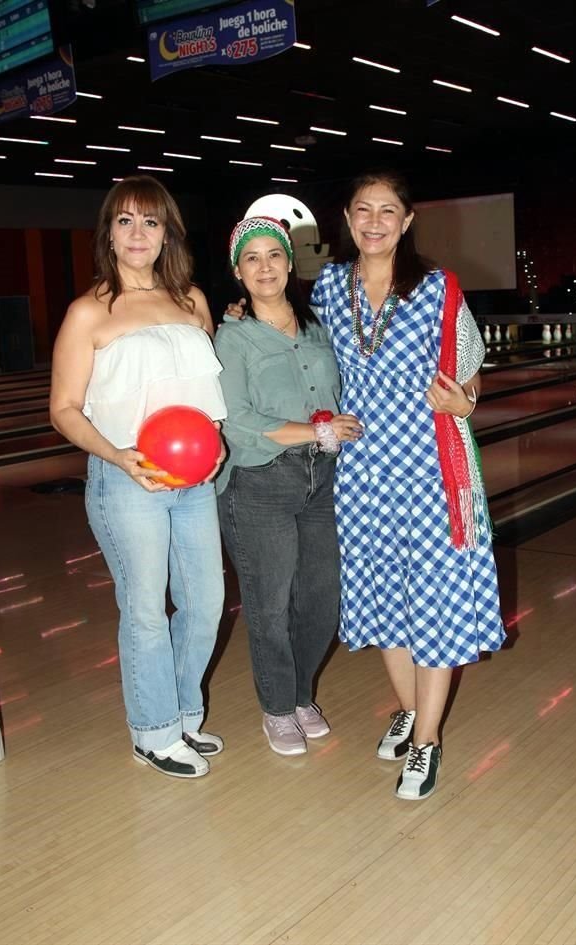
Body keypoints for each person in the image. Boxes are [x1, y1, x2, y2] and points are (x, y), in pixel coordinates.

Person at [309, 170, 505, 800]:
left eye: (387, 211)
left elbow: (471, 369)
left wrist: (464, 402)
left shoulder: (438, 288)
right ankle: (412, 710)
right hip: (362, 474)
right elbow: (306, 360)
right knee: (385, 602)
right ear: (346, 216)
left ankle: (426, 742)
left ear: (407, 221)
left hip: (429, 470)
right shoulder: (328, 289)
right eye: (363, 209)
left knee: (437, 605)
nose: (374, 221)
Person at [50, 175, 227, 780]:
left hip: (194, 481)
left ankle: (180, 715)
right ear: (109, 232)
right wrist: (121, 457)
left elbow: (199, 396)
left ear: (167, 233)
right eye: (125, 221)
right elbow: (64, 408)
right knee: (148, 610)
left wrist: (216, 443)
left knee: (206, 603)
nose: (137, 234)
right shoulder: (88, 311)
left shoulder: (193, 302)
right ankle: (153, 733)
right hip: (126, 481)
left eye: (150, 221)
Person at [215, 216, 362, 756]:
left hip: (320, 480)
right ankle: (277, 709)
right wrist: (316, 430)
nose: (264, 266)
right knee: (270, 605)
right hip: (258, 484)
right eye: (251, 258)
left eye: (273, 255)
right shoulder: (231, 337)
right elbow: (235, 418)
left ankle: (301, 696)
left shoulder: (319, 328)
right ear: (238, 272)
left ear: (288, 262)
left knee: (323, 599)